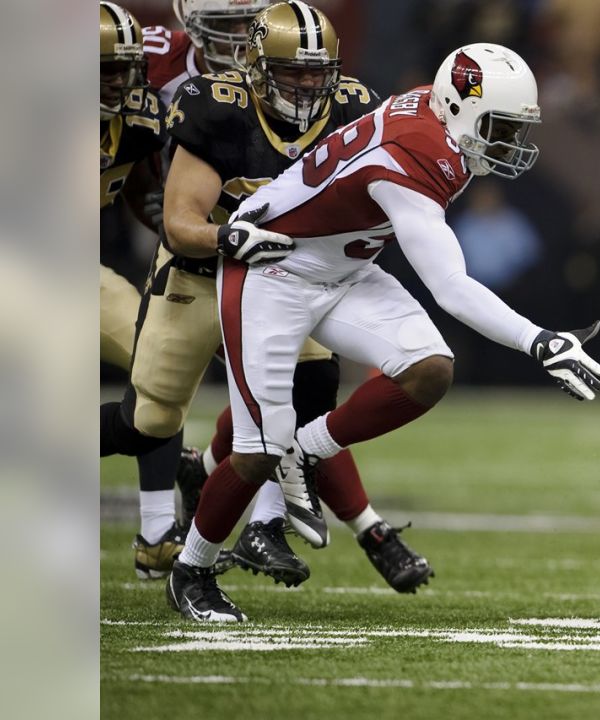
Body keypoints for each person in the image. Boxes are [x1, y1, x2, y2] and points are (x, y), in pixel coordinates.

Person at [166, 41, 600, 622]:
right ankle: (190, 571)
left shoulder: (439, 117)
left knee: (428, 369)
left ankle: (311, 448)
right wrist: (539, 340)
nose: (509, 144)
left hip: (341, 267)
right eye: (500, 127)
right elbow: (450, 286)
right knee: (258, 450)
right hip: (270, 270)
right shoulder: (417, 155)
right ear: (461, 107)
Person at [104, 1, 430, 593]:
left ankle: (255, 529)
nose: (307, 85)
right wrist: (229, 236)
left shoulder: (354, 107)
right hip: (199, 274)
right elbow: (180, 224)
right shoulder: (213, 105)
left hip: (280, 281)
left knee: (308, 391)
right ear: (257, 69)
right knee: (146, 422)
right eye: (292, 71)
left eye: (316, 72)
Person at [98, 1, 190, 579]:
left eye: (127, 67)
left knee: (157, 365)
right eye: (105, 68)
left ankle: (158, 533)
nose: (120, 80)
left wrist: (159, 214)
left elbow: (136, 183)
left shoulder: (139, 115)